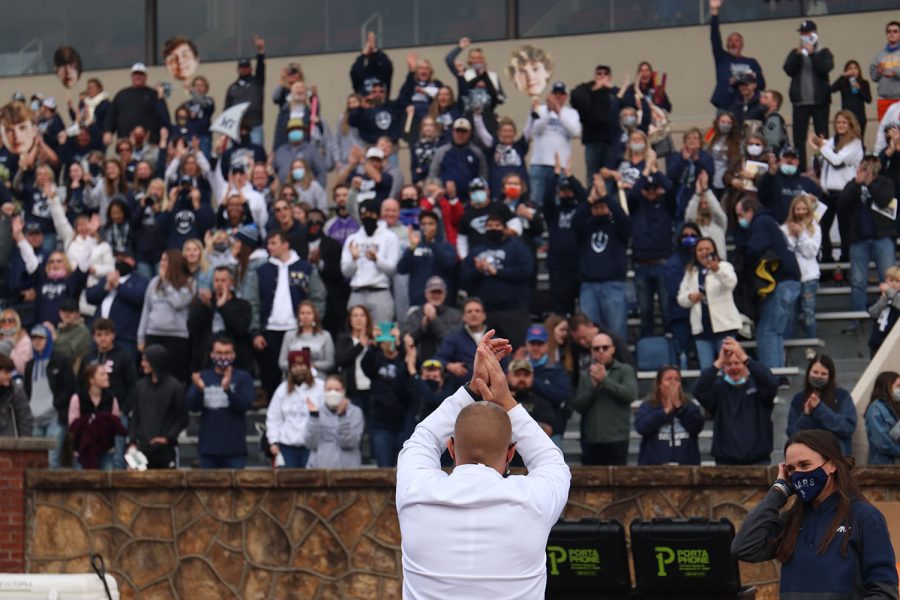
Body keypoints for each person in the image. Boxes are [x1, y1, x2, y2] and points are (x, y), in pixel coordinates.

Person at [396, 332, 570, 598]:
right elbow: (551, 460)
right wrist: (509, 402)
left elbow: (422, 440)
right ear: (511, 453)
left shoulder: (415, 493)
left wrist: (472, 389)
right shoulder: (534, 501)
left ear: (451, 448)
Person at [732, 430, 898, 598]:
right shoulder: (792, 520)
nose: (798, 474)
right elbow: (744, 548)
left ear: (832, 465)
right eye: (791, 469)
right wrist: (778, 491)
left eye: (805, 465)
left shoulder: (865, 517)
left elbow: (885, 594)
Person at [249, 230, 325, 400]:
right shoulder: (262, 271)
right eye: (268, 244)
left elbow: (318, 297)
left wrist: (311, 323)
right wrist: (256, 331)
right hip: (270, 330)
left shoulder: (305, 268)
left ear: (285, 244)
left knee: (300, 373)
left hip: (296, 331)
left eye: (273, 243)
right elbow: (253, 302)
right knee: (270, 376)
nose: (269, 247)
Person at [735, 196, 801, 371]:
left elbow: (755, 249)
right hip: (791, 282)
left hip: (780, 283)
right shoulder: (771, 222)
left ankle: (771, 377)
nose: (739, 220)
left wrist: (741, 260)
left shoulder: (761, 222)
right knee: (776, 332)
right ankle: (779, 374)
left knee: (767, 333)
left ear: (750, 211)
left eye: (741, 214)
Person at [693, 337, 777, 465]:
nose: (733, 367)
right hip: (725, 463)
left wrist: (744, 357)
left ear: (745, 364)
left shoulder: (760, 388)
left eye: (737, 363)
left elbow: (771, 383)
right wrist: (718, 362)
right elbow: (699, 391)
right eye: (728, 364)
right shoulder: (718, 388)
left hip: (758, 461)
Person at [460, 213, 534, 349]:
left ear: (505, 228)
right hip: (485, 313)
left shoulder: (517, 247)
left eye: (497, 226)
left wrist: (497, 272)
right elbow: (464, 277)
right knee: (487, 353)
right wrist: (478, 271)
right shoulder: (477, 250)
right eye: (489, 226)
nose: (493, 229)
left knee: (518, 350)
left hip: (513, 311)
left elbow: (526, 271)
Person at [573, 174, 631, 342]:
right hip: (589, 287)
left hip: (613, 285)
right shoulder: (585, 228)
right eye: (596, 207)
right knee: (589, 335)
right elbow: (575, 222)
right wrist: (590, 200)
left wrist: (605, 195)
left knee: (616, 333)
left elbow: (623, 218)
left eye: (603, 207)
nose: (600, 210)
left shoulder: (618, 228)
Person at [186, 335, 255, 469]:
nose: (223, 357)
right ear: (212, 354)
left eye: (227, 353)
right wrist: (200, 390)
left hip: (235, 448)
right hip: (209, 448)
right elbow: (192, 406)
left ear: (233, 355)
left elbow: (245, 406)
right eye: (219, 353)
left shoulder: (243, 378)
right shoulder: (203, 377)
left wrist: (227, 390)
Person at [839, 155, 896, 314]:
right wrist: (856, 183)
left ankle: (887, 315)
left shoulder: (885, 182)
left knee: (888, 279)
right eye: (865, 167)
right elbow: (842, 205)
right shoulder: (853, 185)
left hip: (882, 238)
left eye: (872, 167)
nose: (868, 170)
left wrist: (870, 184)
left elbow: (884, 200)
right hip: (859, 240)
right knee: (857, 281)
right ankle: (858, 318)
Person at [573, 331, 638, 466]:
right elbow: (578, 405)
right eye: (596, 348)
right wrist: (594, 388)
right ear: (591, 351)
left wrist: (605, 381)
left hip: (617, 438)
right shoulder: (586, 374)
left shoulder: (625, 370)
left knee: (618, 482)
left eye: (605, 347)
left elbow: (630, 395)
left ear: (613, 349)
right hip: (592, 438)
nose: (601, 351)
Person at [81, 318, 139, 468]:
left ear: (113, 335)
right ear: (94, 337)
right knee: (93, 454)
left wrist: (124, 409)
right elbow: (80, 385)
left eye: (106, 334)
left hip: (116, 414)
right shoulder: (88, 358)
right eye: (99, 334)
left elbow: (133, 386)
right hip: (93, 415)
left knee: (117, 456)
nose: (103, 338)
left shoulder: (123, 356)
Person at [677, 237, 741, 369]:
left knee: (729, 366)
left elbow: (732, 283)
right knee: (706, 369)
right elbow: (681, 298)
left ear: (714, 251)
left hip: (724, 327)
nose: (704, 252)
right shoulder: (691, 272)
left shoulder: (724, 266)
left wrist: (717, 270)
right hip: (701, 329)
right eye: (700, 249)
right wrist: (690, 297)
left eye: (707, 249)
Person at [783, 20, 834, 172]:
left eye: (807, 33)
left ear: (814, 34)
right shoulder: (796, 52)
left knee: (822, 136)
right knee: (799, 138)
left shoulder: (824, 51)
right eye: (802, 34)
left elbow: (825, 68)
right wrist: (798, 54)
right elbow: (788, 70)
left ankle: (823, 168)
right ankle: (802, 169)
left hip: (820, 102)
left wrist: (812, 53)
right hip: (800, 102)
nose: (804, 36)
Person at [137, 249, 195, 384]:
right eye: (161, 259)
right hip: (153, 334)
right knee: (151, 376)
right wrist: (141, 337)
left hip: (177, 337)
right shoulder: (153, 283)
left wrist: (166, 283)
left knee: (174, 377)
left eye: (165, 260)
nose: (161, 263)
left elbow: (178, 302)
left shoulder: (189, 283)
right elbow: (146, 309)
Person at [814, 111, 865, 264]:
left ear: (851, 124)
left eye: (844, 122)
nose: (841, 125)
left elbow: (836, 160)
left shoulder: (854, 143)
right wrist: (819, 145)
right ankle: (827, 258)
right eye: (838, 122)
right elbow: (823, 152)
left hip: (845, 193)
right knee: (821, 227)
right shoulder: (832, 141)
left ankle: (845, 262)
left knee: (845, 229)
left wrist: (821, 146)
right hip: (827, 192)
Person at [340, 201, 400, 324]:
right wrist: (354, 259)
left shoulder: (390, 237)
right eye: (364, 214)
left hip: (380, 292)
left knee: (382, 336)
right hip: (357, 292)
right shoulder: (353, 239)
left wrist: (376, 259)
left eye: (371, 214)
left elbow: (393, 269)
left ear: (378, 215)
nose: (367, 218)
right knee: (356, 335)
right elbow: (346, 272)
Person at [129, 345, 188, 469]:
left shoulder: (174, 386)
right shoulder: (140, 386)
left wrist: (167, 438)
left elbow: (182, 418)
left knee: (168, 485)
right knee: (137, 484)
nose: (142, 364)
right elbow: (135, 416)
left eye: (146, 360)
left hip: (165, 450)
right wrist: (132, 442)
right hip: (141, 448)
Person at [786, 355, 857, 455]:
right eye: (815, 372)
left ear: (830, 376)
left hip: (835, 459)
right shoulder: (798, 399)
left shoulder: (842, 396)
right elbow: (792, 433)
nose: (819, 376)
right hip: (806, 459)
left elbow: (847, 427)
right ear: (808, 373)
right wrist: (806, 415)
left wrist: (820, 408)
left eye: (823, 374)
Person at [23, 324, 73, 467]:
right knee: (37, 461)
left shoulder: (61, 360)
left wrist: (55, 405)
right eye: (34, 339)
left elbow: (69, 388)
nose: (37, 342)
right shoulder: (30, 365)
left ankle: (53, 489)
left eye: (41, 338)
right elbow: (27, 391)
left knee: (52, 459)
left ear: (49, 340)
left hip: (55, 418)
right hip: (35, 420)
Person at [634, 366, 704, 465]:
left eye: (676, 379)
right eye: (668, 379)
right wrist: (665, 412)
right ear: (659, 384)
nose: (673, 383)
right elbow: (641, 427)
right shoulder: (648, 406)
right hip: (654, 469)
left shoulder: (689, 405)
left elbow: (697, 426)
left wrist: (679, 408)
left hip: (686, 467)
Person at [363, 324, 410, 467]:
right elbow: (366, 365)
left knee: (405, 469)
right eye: (385, 341)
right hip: (380, 423)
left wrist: (401, 344)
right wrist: (374, 345)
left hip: (403, 422)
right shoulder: (375, 359)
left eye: (391, 340)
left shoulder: (404, 360)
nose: (388, 344)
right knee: (384, 469)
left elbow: (411, 374)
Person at [267, 348, 325, 468]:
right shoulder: (282, 389)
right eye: (294, 366)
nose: (298, 369)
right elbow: (274, 418)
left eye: (302, 365)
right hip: (286, 447)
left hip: (313, 447)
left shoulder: (321, 387)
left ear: (309, 366)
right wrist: (273, 441)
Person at [528, 83, 582, 208]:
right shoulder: (539, 109)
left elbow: (575, 132)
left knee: (557, 201)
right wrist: (548, 112)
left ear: (566, 96)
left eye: (561, 94)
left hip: (561, 165)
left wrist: (558, 112)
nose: (558, 97)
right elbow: (534, 130)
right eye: (555, 93)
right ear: (550, 95)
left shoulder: (571, 113)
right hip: (539, 163)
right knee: (536, 201)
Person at [707, 0, 766, 111]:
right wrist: (714, 12)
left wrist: (747, 80)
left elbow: (762, 84)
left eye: (737, 40)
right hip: (725, 107)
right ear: (727, 45)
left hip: (747, 107)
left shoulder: (751, 62)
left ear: (742, 44)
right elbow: (714, 38)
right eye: (730, 40)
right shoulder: (722, 59)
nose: (733, 43)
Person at [68, 363, 122, 469]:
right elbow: (73, 426)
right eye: (102, 374)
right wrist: (90, 420)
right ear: (91, 380)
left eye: (106, 374)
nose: (106, 377)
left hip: (106, 451)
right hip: (83, 452)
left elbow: (117, 424)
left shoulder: (111, 399)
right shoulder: (77, 399)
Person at [305, 375, 365, 469]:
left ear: (343, 391)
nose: (332, 392)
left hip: (347, 472)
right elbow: (310, 443)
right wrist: (314, 418)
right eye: (329, 389)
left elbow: (350, 443)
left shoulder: (355, 412)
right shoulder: (317, 412)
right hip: (319, 471)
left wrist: (342, 416)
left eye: (337, 389)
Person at [570, 65, 619, 178]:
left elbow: (626, 101)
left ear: (610, 77)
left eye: (605, 74)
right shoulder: (586, 88)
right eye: (599, 73)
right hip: (592, 141)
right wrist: (594, 89)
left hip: (610, 141)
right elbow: (575, 99)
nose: (602, 76)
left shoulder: (614, 92)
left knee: (609, 176)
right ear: (595, 75)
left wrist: (612, 88)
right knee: (593, 176)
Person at [103, 63, 168, 145]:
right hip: (125, 144)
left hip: (150, 143)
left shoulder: (154, 94)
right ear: (131, 76)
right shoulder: (122, 94)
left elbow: (163, 116)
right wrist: (108, 131)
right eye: (135, 74)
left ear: (145, 77)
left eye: (141, 74)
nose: (137, 77)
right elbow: (111, 115)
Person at [403, 277, 462, 366]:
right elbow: (408, 340)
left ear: (445, 294)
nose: (436, 295)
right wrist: (422, 326)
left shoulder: (455, 315)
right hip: (418, 364)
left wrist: (434, 320)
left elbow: (453, 341)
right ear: (426, 294)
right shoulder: (415, 314)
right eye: (433, 292)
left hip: (447, 366)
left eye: (439, 292)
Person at [757, 146, 821, 224]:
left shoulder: (808, 183)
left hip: (801, 228)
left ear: (798, 162)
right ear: (780, 160)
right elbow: (761, 196)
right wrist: (770, 174)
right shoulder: (771, 179)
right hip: (776, 227)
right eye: (786, 157)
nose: (789, 160)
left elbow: (819, 209)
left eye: (793, 158)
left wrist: (815, 202)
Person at [427, 118, 488, 202]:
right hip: (446, 199)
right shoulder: (442, 151)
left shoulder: (477, 152)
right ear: (453, 131)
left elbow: (483, 175)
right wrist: (441, 188)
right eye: (457, 131)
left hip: (471, 199)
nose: (460, 134)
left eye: (463, 131)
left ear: (469, 133)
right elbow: (433, 174)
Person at [224, 37, 266, 146]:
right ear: (238, 69)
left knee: (256, 152)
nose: (244, 69)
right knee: (236, 155)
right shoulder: (232, 87)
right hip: (237, 127)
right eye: (242, 67)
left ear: (251, 68)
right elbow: (226, 109)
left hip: (255, 125)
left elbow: (261, 68)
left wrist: (260, 52)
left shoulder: (257, 82)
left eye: (246, 67)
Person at [278, 300, 335, 376]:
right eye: (302, 313)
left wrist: (312, 365)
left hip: (317, 377)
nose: (305, 316)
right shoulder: (289, 335)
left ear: (314, 315)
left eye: (309, 313)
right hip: (293, 377)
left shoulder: (325, 335)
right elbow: (282, 363)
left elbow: (330, 363)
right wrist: (297, 366)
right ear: (298, 316)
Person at [864, 371, 900, 465]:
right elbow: (883, 443)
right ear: (886, 387)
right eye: (898, 386)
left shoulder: (895, 406)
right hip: (883, 466)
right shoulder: (876, 409)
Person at [832, 60, 873, 138]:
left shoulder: (864, 83)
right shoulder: (843, 82)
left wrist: (860, 89)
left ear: (859, 70)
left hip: (860, 117)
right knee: (846, 140)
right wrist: (843, 76)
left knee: (859, 140)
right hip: (846, 118)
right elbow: (832, 89)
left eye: (855, 68)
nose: (853, 70)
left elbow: (868, 100)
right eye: (850, 68)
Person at [870, 20, 900, 120]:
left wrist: (895, 72)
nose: (892, 34)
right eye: (889, 31)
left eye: (895, 31)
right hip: (884, 100)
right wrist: (878, 72)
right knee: (885, 132)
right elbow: (873, 77)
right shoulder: (879, 55)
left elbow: (895, 72)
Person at [868, 267, 900, 357]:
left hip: (894, 344)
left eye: (897, 281)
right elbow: (872, 313)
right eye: (891, 280)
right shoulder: (880, 297)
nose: (893, 284)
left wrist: (890, 293)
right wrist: (884, 300)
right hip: (878, 341)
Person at [0, 354, 32, 437]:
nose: (10, 376)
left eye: (10, 372)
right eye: (6, 372)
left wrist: (24, 445)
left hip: (8, 443)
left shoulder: (16, 390)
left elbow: (24, 419)